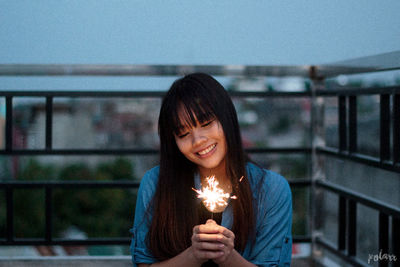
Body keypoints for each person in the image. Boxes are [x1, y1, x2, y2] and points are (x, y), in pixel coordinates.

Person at [130, 73, 292, 267]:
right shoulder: (155, 184)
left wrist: (229, 258)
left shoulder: (271, 190)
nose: (198, 140)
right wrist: (193, 255)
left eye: (206, 124)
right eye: (183, 133)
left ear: (228, 118)